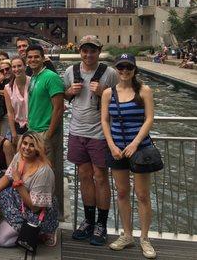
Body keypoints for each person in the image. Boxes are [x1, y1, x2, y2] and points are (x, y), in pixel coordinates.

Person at [101, 54, 157, 259]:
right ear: (116, 69)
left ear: (134, 69)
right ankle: (127, 235)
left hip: (140, 148)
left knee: (142, 195)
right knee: (122, 192)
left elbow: (149, 119)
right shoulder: (109, 93)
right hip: (117, 149)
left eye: (129, 67)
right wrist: (111, 145)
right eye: (121, 67)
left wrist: (134, 143)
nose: (125, 71)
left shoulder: (144, 91)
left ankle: (144, 238)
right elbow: (105, 121)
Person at [64, 36, 118, 245]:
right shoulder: (71, 71)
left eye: (92, 51)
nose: (88, 55)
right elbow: (65, 95)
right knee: (84, 176)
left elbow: (120, 98)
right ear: (80, 51)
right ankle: (88, 220)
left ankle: (101, 224)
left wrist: (104, 92)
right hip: (77, 131)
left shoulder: (109, 73)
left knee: (101, 177)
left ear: (99, 51)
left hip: (99, 133)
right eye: (85, 51)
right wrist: (70, 91)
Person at [0, 132, 59, 248]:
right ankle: (14, 224)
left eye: (32, 145)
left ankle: (41, 232)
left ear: (38, 149)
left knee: (1, 240)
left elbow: (35, 207)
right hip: (20, 201)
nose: (26, 148)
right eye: (25, 143)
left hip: (36, 211)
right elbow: (7, 176)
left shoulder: (44, 171)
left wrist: (17, 182)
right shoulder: (20, 156)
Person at [25, 44, 64, 166]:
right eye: (30, 57)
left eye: (36, 57)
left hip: (45, 131)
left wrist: (49, 134)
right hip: (33, 130)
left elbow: (59, 108)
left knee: (47, 170)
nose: (33, 60)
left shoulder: (51, 77)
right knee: (34, 170)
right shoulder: (33, 77)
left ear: (43, 58)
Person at [4, 56, 30, 144]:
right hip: (18, 126)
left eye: (19, 66)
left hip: (33, 125)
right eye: (14, 67)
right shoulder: (8, 88)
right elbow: (10, 112)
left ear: (25, 67)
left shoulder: (33, 82)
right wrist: (13, 133)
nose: (16, 69)